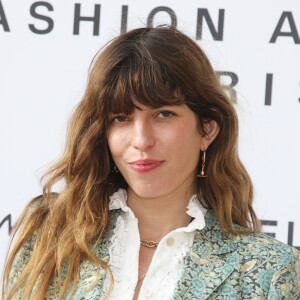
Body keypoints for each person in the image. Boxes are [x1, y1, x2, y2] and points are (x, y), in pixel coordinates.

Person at [2, 26, 300, 300]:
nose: (141, 140)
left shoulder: (267, 273)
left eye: (163, 114)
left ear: (207, 129)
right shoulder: (50, 235)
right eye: (121, 118)